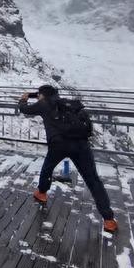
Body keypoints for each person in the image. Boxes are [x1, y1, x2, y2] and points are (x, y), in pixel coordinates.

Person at [18, 85, 118, 233]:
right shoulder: (66, 103)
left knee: (47, 168)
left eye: (39, 95)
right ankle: (108, 219)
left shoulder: (44, 104)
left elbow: (25, 110)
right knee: (93, 180)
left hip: (59, 145)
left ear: (42, 95)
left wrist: (23, 100)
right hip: (81, 145)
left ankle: (42, 193)